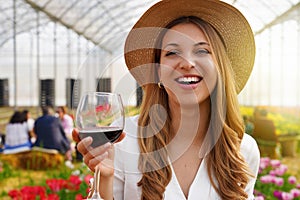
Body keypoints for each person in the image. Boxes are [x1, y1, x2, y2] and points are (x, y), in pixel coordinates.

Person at [73, 0, 260, 199]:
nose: (187, 63)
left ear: (220, 68)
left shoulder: (243, 149)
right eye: (172, 53)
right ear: (158, 72)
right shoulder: (124, 139)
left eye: (202, 50)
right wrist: (105, 178)